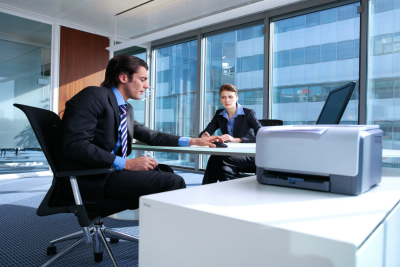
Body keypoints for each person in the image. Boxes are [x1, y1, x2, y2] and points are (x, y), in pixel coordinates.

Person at [60, 55, 221, 208]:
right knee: (172, 182)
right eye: (143, 79)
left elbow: (150, 135)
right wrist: (127, 163)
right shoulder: (93, 96)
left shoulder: (125, 108)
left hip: (109, 172)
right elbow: (76, 145)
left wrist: (193, 141)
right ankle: (169, 234)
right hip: (92, 178)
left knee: (164, 171)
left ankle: (159, 226)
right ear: (123, 78)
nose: (147, 85)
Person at [199, 84, 262, 184]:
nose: (226, 100)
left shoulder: (248, 113)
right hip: (229, 157)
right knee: (224, 171)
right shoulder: (219, 114)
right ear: (220, 99)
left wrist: (236, 139)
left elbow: (262, 136)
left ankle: (204, 190)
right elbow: (205, 133)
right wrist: (206, 137)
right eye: (223, 97)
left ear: (237, 98)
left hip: (249, 157)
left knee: (215, 156)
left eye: (230, 97)